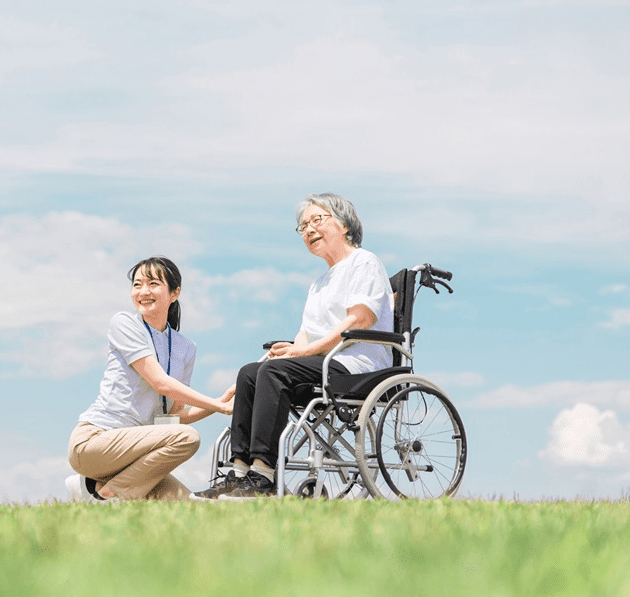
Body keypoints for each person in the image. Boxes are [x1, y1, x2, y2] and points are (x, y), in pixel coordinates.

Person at [192, 193, 394, 500]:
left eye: (317, 220)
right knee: (251, 372)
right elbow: (305, 336)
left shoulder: (363, 262)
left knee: (273, 373)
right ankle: (239, 474)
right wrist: (285, 353)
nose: (309, 230)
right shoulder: (319, 282)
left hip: (358, 364)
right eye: (303, 226)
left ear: (343, 224)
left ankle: (263, 475)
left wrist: (305, 352)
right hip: (325, 363)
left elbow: (360, 319)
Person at [66, 256, 235, 502]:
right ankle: (106, 493)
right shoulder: (124, 323)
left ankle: (93, 488)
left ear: (175, 293)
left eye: (153, 283)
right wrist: (217, 405)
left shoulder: (186, 348)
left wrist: (221, 403)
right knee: (188, 439)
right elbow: (160, 383)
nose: (143, 291)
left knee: (189, 505)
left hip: (137, 454)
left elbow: (173, 420)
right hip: (94, 443)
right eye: (137, 285)